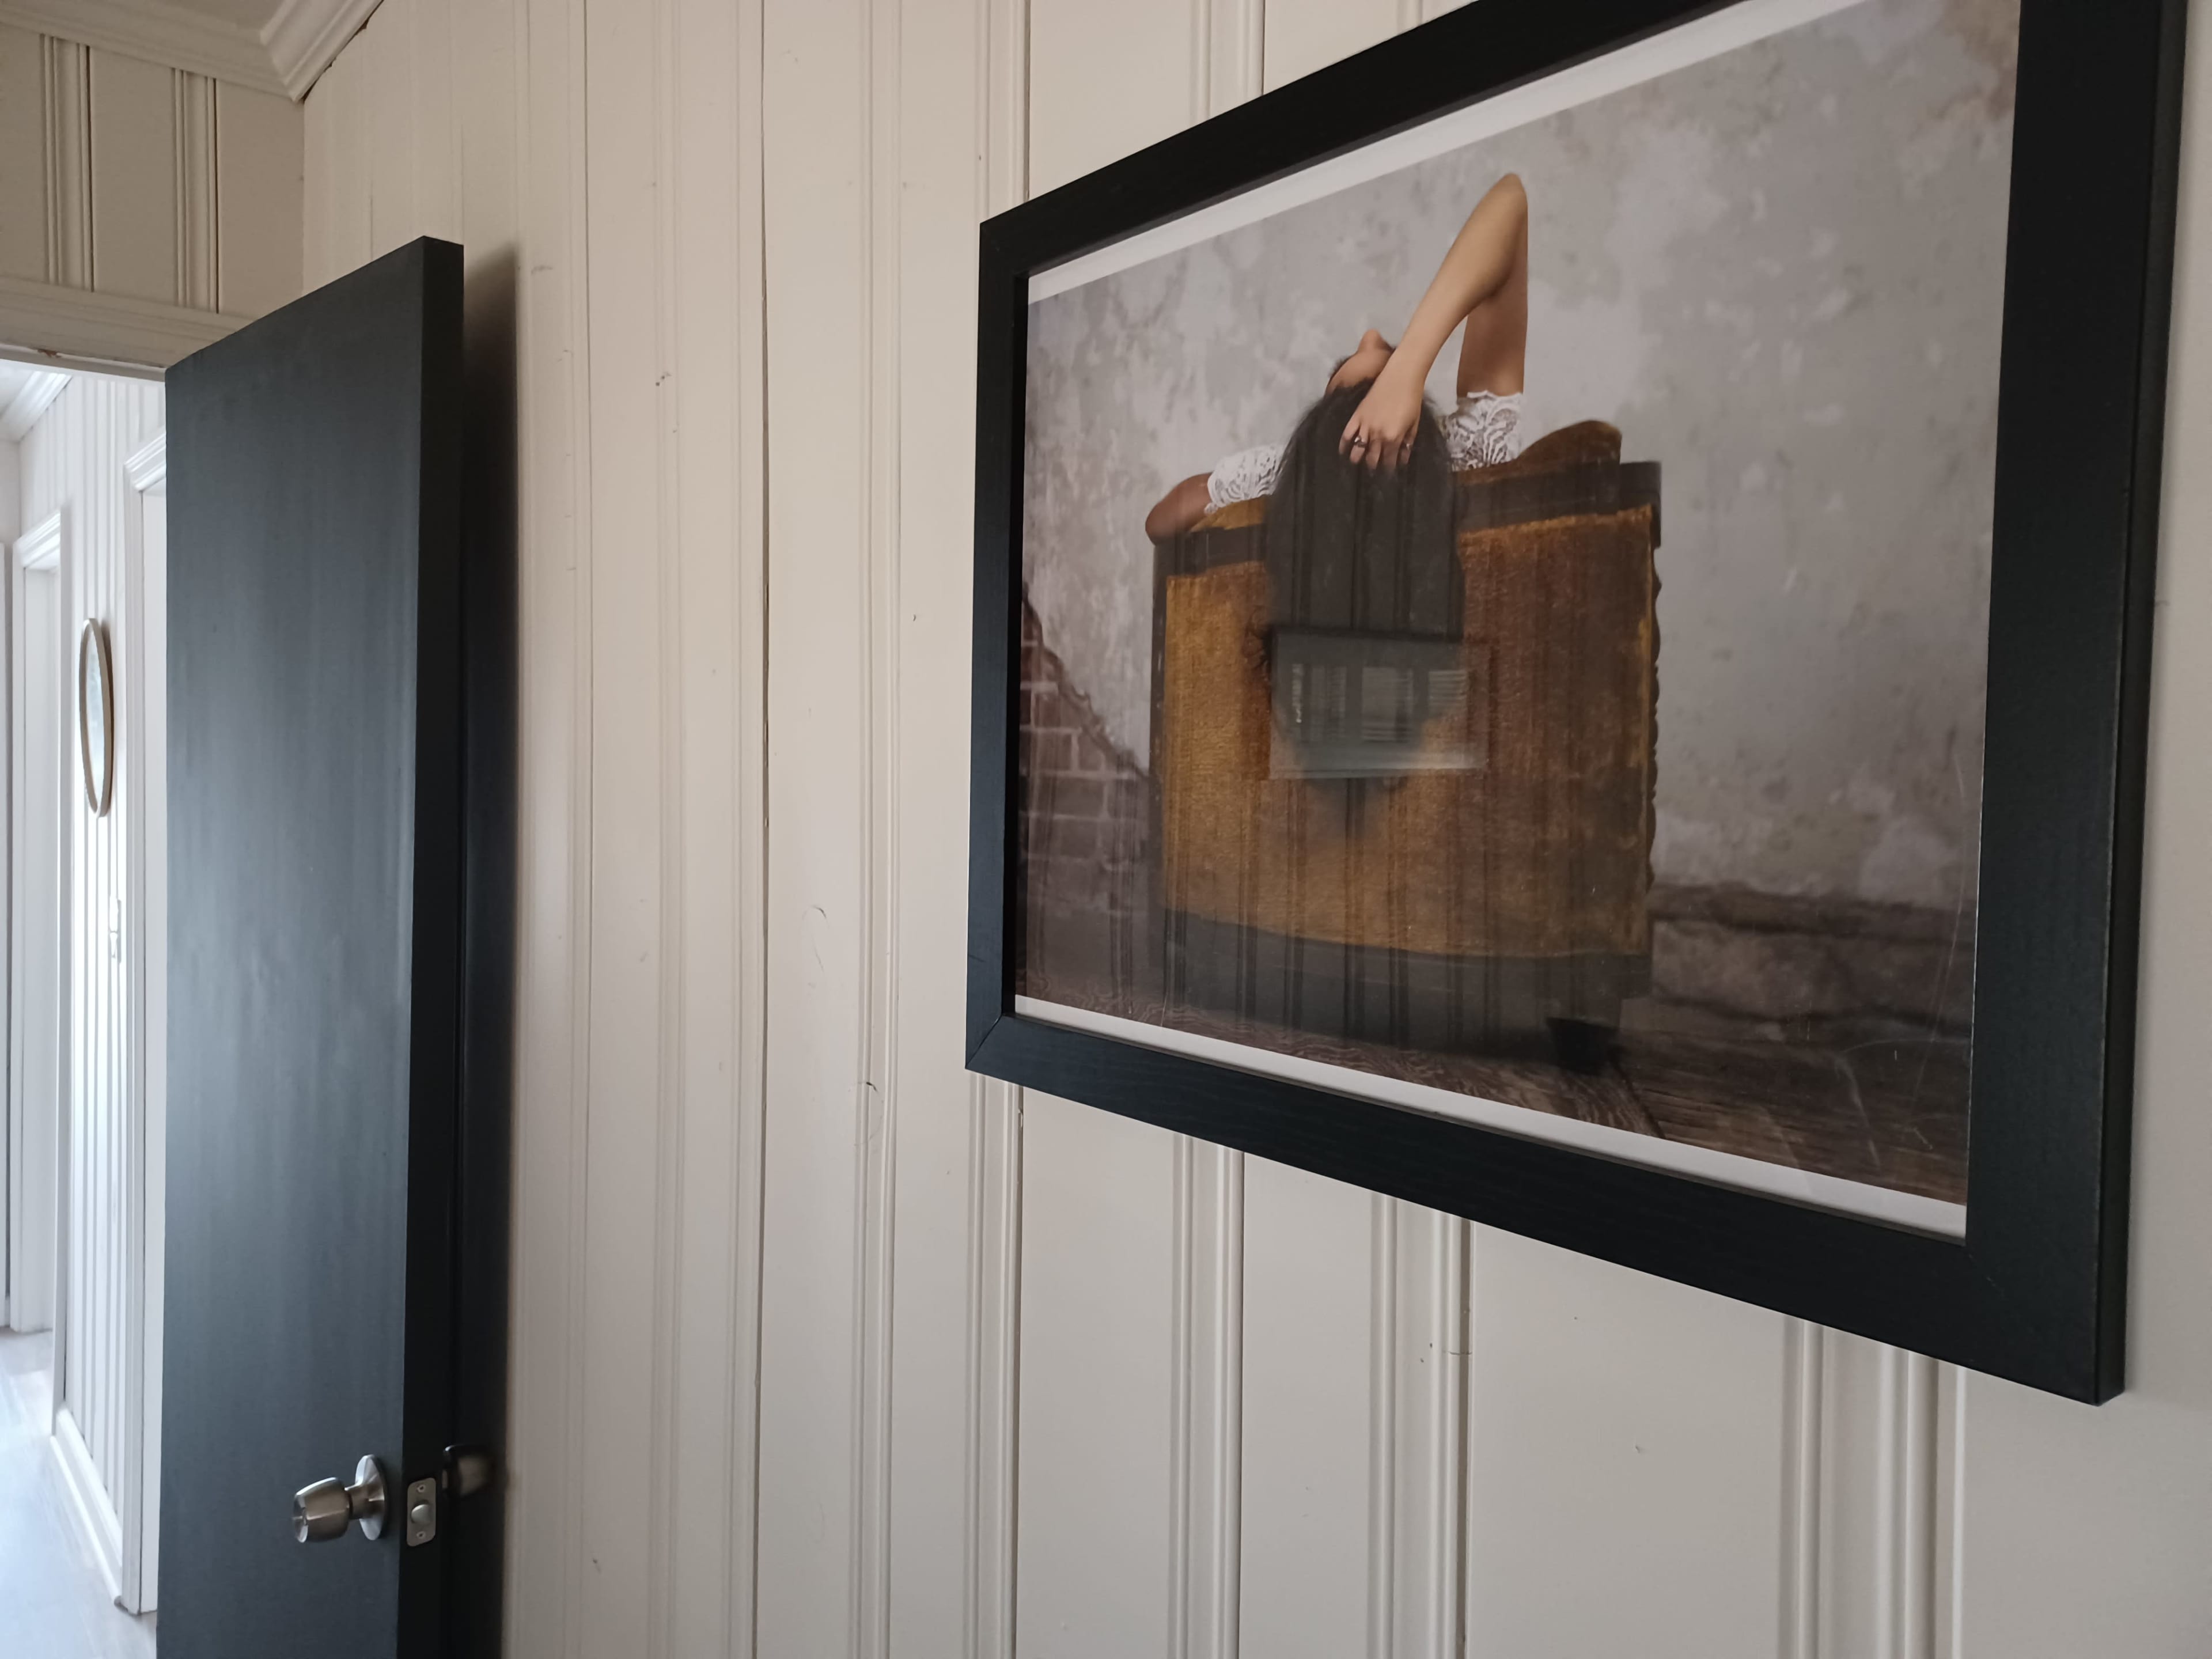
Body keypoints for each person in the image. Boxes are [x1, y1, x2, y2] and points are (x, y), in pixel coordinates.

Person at [1143, 173, 1530, 639]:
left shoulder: (1463, 454)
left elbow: (1510, 201)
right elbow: (1160, 522)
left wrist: (1407, 368)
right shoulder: (1471, 452)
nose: (1369, 334)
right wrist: (1298, 467)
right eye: (1382, 350)